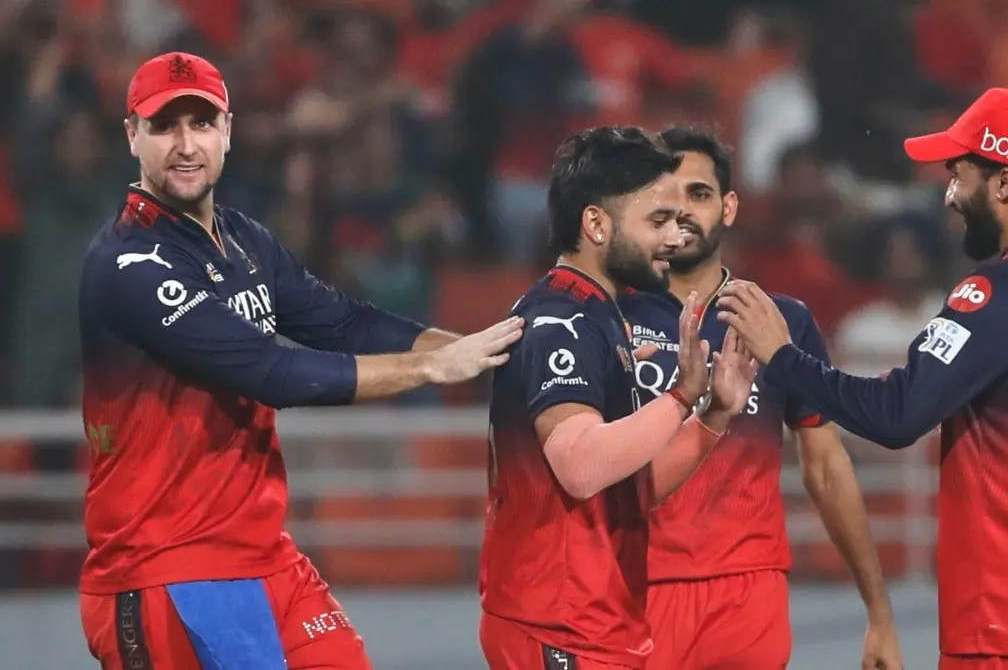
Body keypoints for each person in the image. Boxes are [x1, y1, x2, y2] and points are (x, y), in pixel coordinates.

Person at [77, 52, 523, 670]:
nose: (186, 144)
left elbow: (344, 322)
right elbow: (271, 372)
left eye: (201, 124)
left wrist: (482, 351)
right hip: (165, 566)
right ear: (133, 137)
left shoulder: (245, 240)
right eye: (164, 126)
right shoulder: (128, 264)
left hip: (263, 555)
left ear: (227, 131)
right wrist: (430, 370)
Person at [718, 88, 1008, 670]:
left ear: (1004, 183)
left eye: (959, 173)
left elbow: (896, 416)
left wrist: (783, 356)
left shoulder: (999, 292)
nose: (948, 195)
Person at [617, 126, 902, 670]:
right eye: (664, 198)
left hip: (748, 597)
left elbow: (826, 467)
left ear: (728, 206)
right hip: (633, 590)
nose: (681, 212)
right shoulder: (608, 321)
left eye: (698, 194)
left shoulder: (779, 322)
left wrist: (879, 611)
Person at [480, 126, 758, 670]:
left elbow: (630, 486)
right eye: (656, 221)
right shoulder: (561, 321)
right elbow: (580, 465)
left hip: (598, 624)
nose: (674, 239)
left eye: (677, 222)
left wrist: (714, 414)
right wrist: (680, 395)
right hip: (557, 625)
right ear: (596, 224)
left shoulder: (598, 314)